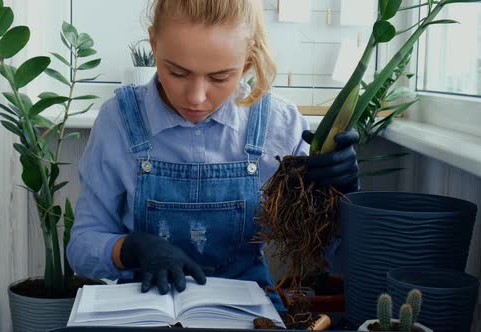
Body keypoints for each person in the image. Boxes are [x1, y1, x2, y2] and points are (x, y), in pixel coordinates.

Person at [67, 0, 359, 311]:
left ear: (249, 56)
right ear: (153, 43)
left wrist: (344, 196)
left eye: (220, 77)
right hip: (142, 307)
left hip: (245, 307)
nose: (196, 97)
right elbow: (81, 247)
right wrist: (128, 249)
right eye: (176, 72)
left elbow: (333, 256)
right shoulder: (118, 121)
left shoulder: (280, 124)